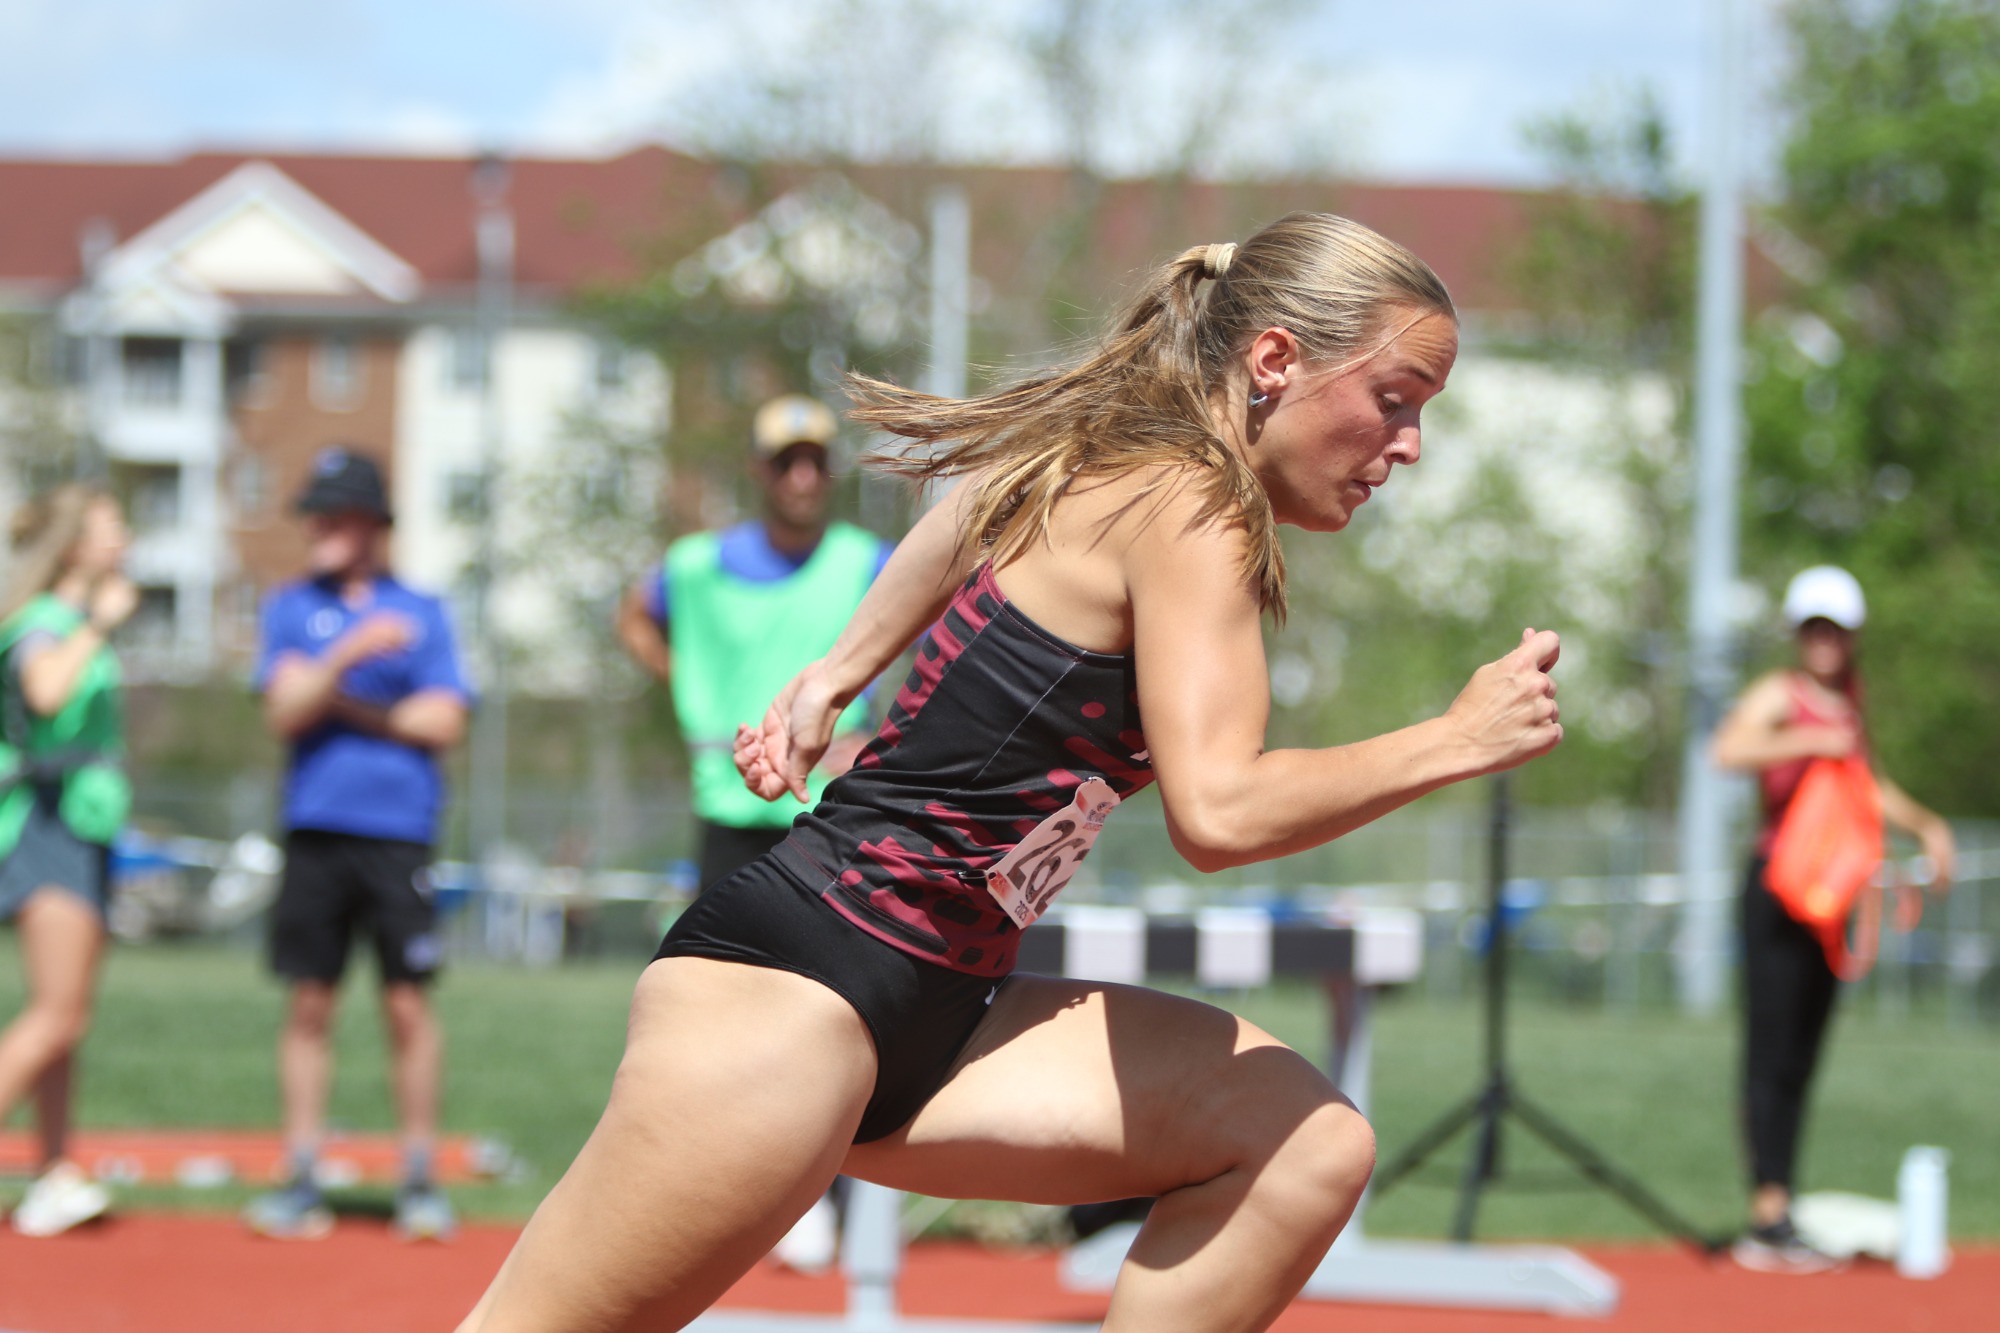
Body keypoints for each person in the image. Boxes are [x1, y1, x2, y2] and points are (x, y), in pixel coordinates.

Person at [458, 213, 1565, 1333]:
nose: (1409, 445)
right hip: (800, 991)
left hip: (949, 1012)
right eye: (1394, 398)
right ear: (1274, 359)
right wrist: (1453, 738)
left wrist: (833, 676)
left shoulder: (1111, 460)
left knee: (1299, 1138)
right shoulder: (1190, 503)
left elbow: (965, 509)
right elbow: (1220, 813)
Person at [244, 447, 472, 1242]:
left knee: (407, 1002)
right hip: (315, 827)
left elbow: (443, 720)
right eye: (315, 513)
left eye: (334, 514)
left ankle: (419, 1176)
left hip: (399, 833)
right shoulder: (287, 606)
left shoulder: (423, 611)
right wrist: (350, 655)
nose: (318, 527)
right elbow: (283, 711)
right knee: (309, 1000)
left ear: (372, 522)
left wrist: (335, 699)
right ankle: (302, 1174)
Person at [1712, 565, 1955, 1273]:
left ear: (1852, 637)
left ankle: (1782, 1202)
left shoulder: (1850, 703)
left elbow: (1866, 787)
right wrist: (1807, 741)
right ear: (1799, 634)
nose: (1826, 642)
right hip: (1778, 886)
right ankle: (1767, 1212)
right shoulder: (1779, 694)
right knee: (1769, 1048)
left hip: (1831, 894)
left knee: (1801, 1054)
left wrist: (1927, 825)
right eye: (1814, 629)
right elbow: (1728, 749)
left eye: (1836, 630)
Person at [615, 393, 892, 894]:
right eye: (787, 462)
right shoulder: (695, 566)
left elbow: (948, 644)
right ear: (759, 469)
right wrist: (687, 679)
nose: (803, 478)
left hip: (831, 811)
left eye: (816, 462)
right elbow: (633, 617)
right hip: (728, 810)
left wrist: (888, 745)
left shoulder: (867, 563)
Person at [0, 486, 134, 1237]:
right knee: (55, 1013)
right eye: (111, 528)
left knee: (68, 1016)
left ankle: (53, 1169)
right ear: (73, 544)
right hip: (46, 823)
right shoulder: (44, 621)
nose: (124, 539)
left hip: (81, 825)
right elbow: (46, 691)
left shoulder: (66, 619)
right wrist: (99, 622)